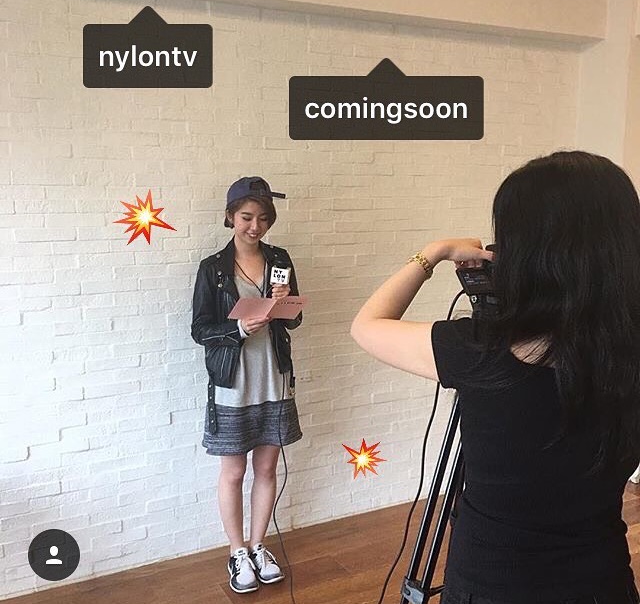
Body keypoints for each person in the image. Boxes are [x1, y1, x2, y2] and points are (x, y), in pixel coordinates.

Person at [351, 151, 640, 604]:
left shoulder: (479, 349)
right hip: (602, 583)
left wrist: (433, 253)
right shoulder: (629, 354)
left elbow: (367, 325)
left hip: (489, 584)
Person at [191, 176, 303, 594]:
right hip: (233, 382)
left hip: (273, 376)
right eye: (246, 217)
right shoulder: (213, 269)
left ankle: (259, 545)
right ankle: (237, 551)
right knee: (234, 471)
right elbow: (200, 329)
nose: (255, 226)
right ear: (230, 217)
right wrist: (237, 329)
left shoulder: (280, 259)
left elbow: (294, 319)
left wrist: (285, 300)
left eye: (263, 218)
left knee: (267, 468)